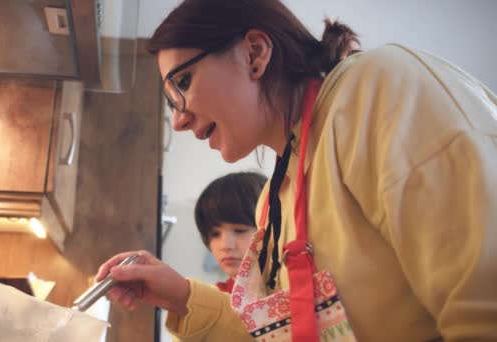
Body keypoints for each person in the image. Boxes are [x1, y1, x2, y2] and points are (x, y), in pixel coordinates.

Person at [96, 0, 497, 341]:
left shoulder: (376, 90)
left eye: (183, 82)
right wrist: (181, 296)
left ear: (254, 53)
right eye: (171, 103)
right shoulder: (274, 201)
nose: (179, 121)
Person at [194, 172, 267, 293]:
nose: (225, 246)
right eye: (214, 234)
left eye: (240, 230)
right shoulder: (214, 300)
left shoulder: (299, 292)